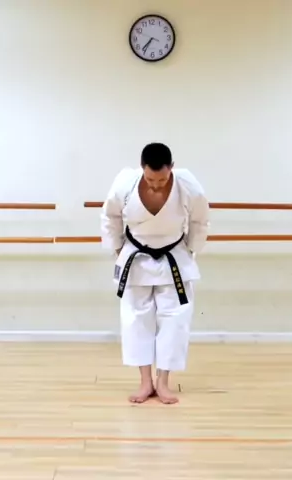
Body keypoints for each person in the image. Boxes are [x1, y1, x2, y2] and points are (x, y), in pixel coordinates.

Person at [100, 142, 210, 404]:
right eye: (150, 179)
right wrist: (118, 249)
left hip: (174, 257)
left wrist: (191, 250)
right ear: (142, 168)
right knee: (136, 319)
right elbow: (110, 216)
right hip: (136, 256)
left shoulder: (188, 185)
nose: (156, 185)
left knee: (175, 320)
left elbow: (200, 220)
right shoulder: (126, 182)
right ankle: (145, 381)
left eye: (162, 180)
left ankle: (163, 382)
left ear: (172, 168)